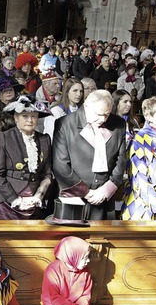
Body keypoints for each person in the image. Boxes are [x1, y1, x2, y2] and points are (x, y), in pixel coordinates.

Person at [52, 90, 127, 220]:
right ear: (86, 106)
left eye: (107, 114)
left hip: (104, 195)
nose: (102, 119)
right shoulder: (65, 124)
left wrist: (107, 189)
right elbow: (60, 165)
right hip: (73, 196)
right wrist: (85, 192)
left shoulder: (118, 124)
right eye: (98, 114)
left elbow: (121, 160)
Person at [0, 96, 52, 220]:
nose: (30, 120)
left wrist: (38, 195)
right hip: (5, 203)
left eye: (34, 116)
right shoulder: (3, 138)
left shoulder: (44, 139)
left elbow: (47, 174)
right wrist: (15, 199)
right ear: (16, 118)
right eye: (24, 116)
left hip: (33, 202)